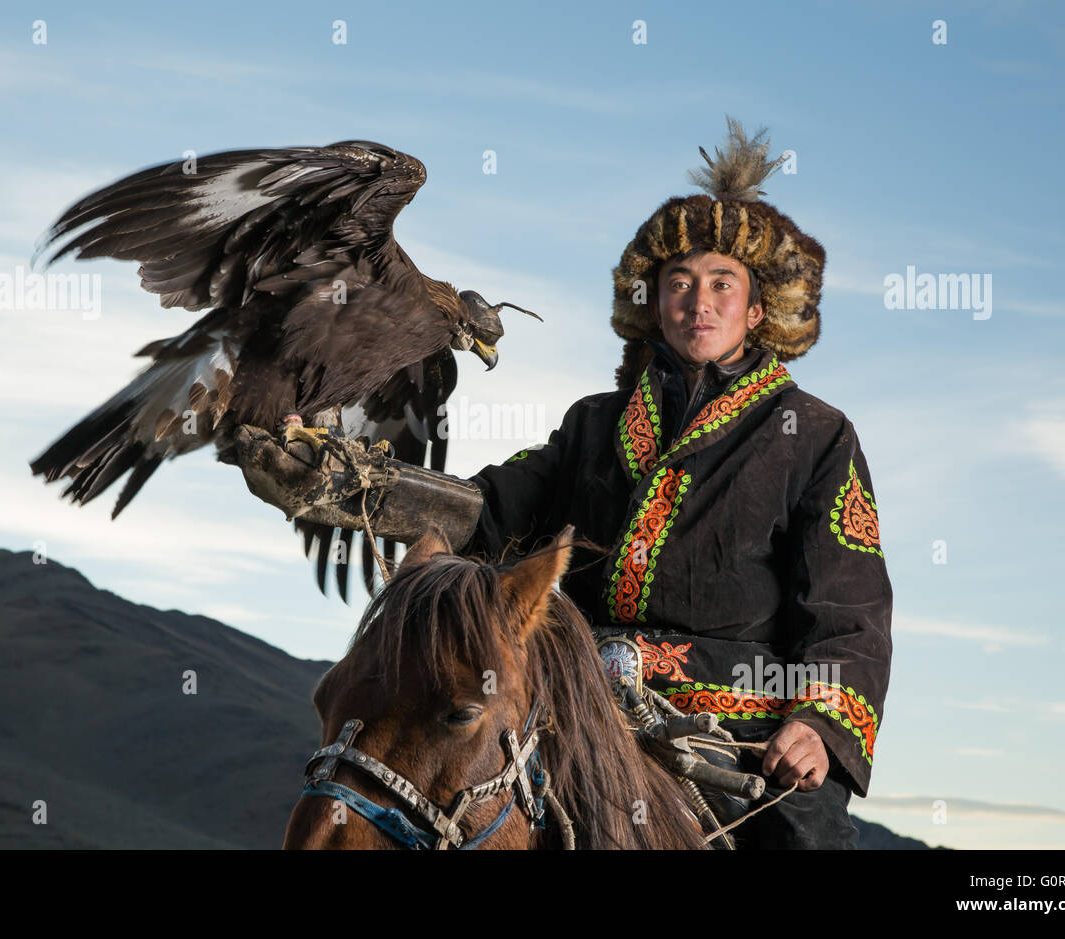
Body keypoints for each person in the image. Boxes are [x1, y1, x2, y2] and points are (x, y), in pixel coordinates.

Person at [237, 118, 893, 850]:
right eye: (679, 283)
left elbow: (849, 609)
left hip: (741, 732)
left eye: (721, 284)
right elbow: (488, 511)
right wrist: (355, 483)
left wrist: (820, 724)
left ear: (758, 309)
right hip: (574, 713)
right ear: (653, 303)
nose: (697, 302)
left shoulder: (816, 434)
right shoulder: (595, 423)